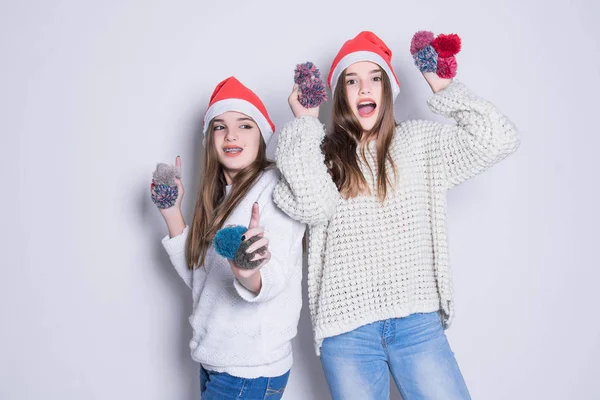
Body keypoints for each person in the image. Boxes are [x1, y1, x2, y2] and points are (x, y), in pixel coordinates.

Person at [274, 31, 520, 399]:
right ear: (340, 94)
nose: (364, 89)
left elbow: (499, 138)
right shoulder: (320, 156)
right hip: (347, 331)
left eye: (375, 78)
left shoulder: (419, 143)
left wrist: (443, 86)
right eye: (351, 81)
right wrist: (306, 122)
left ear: (388, 89)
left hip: (416, 321)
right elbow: (313, 206)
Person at [154, 76, 305, 399]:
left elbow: (274, 275)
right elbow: (202, 281)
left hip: (248, 370)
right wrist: (172, 214)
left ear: (262, 134)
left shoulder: (275, 188)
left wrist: (250, 271)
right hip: (216, 360)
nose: (231, 135)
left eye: (244, 125)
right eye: (220, 126)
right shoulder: (220, 196)